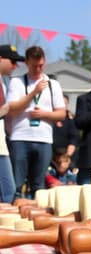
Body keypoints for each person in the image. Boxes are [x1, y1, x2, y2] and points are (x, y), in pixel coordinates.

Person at [6, 46, 66, 198]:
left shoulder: (53, 84)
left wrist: (44, 114)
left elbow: (61, 114)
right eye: (34, 66)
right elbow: (11, 109)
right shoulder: (17, 82)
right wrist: (34, 93)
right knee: (17, 185)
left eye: (41, 65)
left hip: (44, 139)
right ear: (26, 63)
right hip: (20, 138)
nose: (38, 69)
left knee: (38, 186)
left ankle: (35, 217)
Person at [0, 45, 25, 203]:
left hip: (2, 143)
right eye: (13, 61)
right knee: (8, 192)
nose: (15, 66)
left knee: (8, 192)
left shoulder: (3, 83)